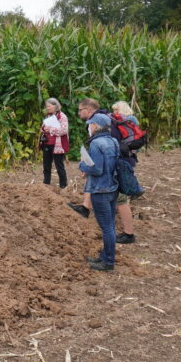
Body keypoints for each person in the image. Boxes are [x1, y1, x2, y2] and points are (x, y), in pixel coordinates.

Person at [79, 114, 120, 272]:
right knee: (110, 225)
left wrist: (83, 166)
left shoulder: (96, 143)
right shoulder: (113, 141)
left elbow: (96, 169)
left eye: (90, 125)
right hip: (113, 188)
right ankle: (105, 256)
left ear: (95, 126)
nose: (89, 127)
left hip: (100, 189)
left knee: (107, 227)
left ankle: (108, 262)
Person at [111, 100, 140, 244]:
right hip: (128, 158)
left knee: (122, 195)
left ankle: (128, 233)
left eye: (116, 110)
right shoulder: (131, 121)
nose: (114, 113)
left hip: (123, 159)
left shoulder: (125, 121)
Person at [67, 98, 100, 218]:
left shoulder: (95, 122)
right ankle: (86, 207)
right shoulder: (101, 119)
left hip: (104, 158)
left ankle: (87, 208)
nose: (78, 113)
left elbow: (98, 145)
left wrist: (86, 165)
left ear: (89, 109)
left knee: (93, 176)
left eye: (80, 110)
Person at [40, 98, 70, 188]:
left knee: (59, 166)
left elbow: (64, 131)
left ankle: (63, 186)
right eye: (46, 106)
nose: (47, 108)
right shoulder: (48, 116)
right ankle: (46, 184)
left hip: (57, 145)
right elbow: (44, 127)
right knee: (46, 165)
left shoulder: (62, 116)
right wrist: (43, 129)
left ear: (55, 106)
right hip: (47, 143)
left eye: (49, 106)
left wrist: (50, 129)